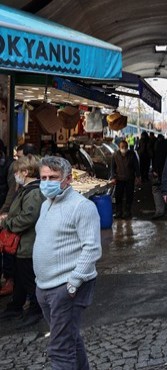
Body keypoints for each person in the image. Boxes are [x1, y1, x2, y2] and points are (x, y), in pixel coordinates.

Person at [33, 156, 102, 369]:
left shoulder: (83, 207)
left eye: (53, 177)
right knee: (69, 338)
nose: (46, 182)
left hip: (66, 287)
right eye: (43, 177)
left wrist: (73, 282)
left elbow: (92, 248)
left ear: (68, 179)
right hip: (45, 286)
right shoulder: (46, 204)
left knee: (60, 349)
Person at [0, 155, 45, 327]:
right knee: (19, 277)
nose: (15, 176)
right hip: (22, 245)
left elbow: (28, 217)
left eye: (17, 172)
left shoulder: (33, 192)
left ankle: (36, 309)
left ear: (25, 172)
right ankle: (16, 306)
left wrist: (7, 222)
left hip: (28, 244)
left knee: (28, 278)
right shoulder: (27, 189)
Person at [110, 141, 141, 219]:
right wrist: (113, 177)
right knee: (118, 196)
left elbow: (136, 166)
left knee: (129, 196)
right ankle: (118, 212)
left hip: (129, 179)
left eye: (125, 147)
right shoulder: (115, 155)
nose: (124, 149)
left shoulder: (132, 154)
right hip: (119, 179)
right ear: (119, 147)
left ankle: (127, 212)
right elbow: (112, 167)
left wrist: (138, 176)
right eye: (122, 147)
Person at [0, 140, 14, 296]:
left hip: (4, 212)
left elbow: (11, 192)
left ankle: (9, 279)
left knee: (7, 246)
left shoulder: (10, 166)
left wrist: (4, 212)